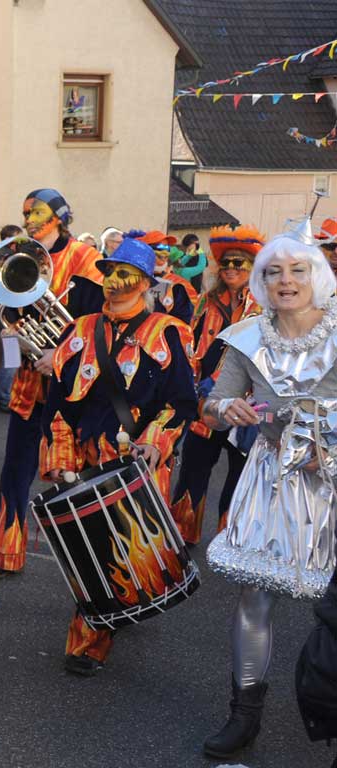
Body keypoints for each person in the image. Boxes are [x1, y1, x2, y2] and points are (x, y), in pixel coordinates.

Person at [201, 223, 337, 759]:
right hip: (273, 478)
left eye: (297, 270)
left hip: (335, 480)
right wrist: (226, 408)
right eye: (274, 271)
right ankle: (244, 716)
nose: (286, 281)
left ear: (316, 275)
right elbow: (212, 407)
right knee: (255, 596)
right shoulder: (248, 337)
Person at [40, 238, 197, 675]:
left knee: (124, 551)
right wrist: (61, 453)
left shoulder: (167, 332)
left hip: (136, 463)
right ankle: (89, 642)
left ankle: (115, 615)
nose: (113, 282)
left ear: (145, 283)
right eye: (109, 272)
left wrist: (155, 441)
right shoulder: (80, 329)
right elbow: (58, 403)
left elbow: (181, 403)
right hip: (87, 456)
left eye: (124, 274)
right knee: (91, 550)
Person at [0, 188, 104, 579]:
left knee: (74, 477)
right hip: (30, 389)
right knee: (14, 472)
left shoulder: (86, 259)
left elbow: (99, 325)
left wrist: (61, 354)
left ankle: (91, 570)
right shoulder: (20, 254)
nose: (29, 220)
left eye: (37, 213)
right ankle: (6, 554)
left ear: (59, 218)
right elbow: (5, 314)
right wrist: (13, 341)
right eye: (26, 213)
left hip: (73, 393)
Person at [171, 225, 264, 545]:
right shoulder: (207, 302)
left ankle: (228, 540)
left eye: (239, 263)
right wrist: (193, 388)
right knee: (194, 466)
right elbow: (193, 345)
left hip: (248, 404)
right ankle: (184, 533)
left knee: (240, 475)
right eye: (225, 263)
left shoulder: (266, 306)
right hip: (207, 400)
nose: (230, 268)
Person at [0, 224, 24, 412]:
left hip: (10, 317)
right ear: (10, 241)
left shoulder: (3, 258)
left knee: (12, 360)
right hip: (8, 319)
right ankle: (3, 399)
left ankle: (5, 397)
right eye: (18, 239)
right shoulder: (3, 261)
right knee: (11, 361)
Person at [136, 230, 198, 325]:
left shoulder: (177, 285)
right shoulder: (132, 279)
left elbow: (185, 319)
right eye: (160, 247)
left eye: (167, 248)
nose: (164, 252)